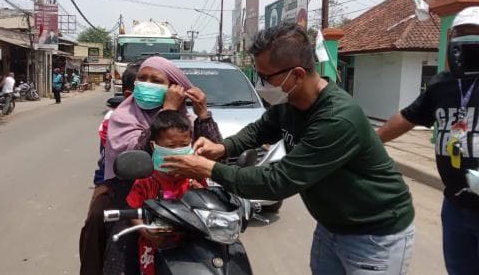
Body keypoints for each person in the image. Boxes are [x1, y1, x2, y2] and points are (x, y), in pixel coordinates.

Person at [162, 24, 415, 275]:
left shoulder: (336, 119)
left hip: (374, 235)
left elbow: (277, 182)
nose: (260, 84)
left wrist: (209, 169)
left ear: (296, 75)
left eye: (265, 77)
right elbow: (259, 130)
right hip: (331, 226)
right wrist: (222, 147)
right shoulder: (290, 102)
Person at [377, 7, 479, 275]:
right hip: (456, 205)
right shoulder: (441, 85)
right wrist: (370, 141)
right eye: (461, 39)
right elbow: (408, 117)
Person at [101, 56, 222, 275]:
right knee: (100, 232)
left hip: (184, 211)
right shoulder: (122, 116)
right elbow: (140, 155)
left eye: (156, 81)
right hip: (132, 203)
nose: (146, 84)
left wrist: (203, 112)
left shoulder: (185, 122)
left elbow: (215, 154)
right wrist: (165, 110)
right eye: (142, 78)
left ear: (176, 88)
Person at [126, 110, 206, 275]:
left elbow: (208, 203)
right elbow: (133, 211)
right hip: (154, 248)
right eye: (171, 146)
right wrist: (146, 231)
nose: (178, 150)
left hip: (191, 245)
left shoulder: (195, 175)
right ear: (154, 146)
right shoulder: (145, 180)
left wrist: (200, 193)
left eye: (184, 145)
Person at [79, 63, 140, 275]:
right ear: (129, 94)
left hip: (156, 185)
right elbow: (120, 160)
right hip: (113, 181)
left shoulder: (170, 116)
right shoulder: (113, 119)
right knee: (97, 218)